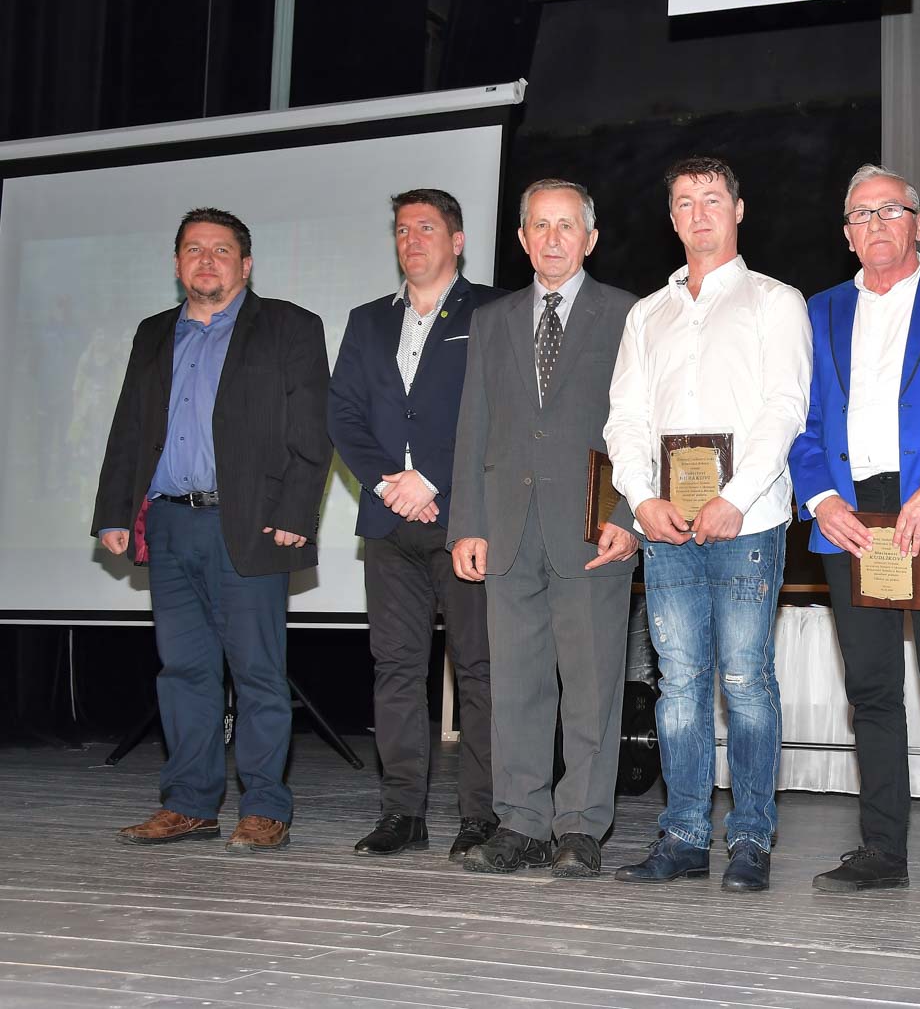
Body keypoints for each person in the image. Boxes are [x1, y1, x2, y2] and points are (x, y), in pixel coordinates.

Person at [789, 164, 920, 906]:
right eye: (860, 214)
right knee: (871, 689)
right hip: (850, 518)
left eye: (890, 210)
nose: (875, 224)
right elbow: (800, 419)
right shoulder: (818, 309)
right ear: (846, 234)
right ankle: (882, 849)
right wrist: (820, 499)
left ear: (919, 222)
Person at [93, 207, 332, 852]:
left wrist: (296, 513)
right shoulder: (153, 333)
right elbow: (129, 426)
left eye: (221, 250)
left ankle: (265, 806)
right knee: (184, 672)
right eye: (194, 249)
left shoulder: (289, 326)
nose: (206, 260)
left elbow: (313, 430)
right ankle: (189, 804)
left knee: (257, 671)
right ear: (177, 265)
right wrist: (114, 510)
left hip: (249, 523)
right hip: (170, 521)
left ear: (245, 264)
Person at [604, 156, 811, 892]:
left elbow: (785, 408)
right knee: (679, 683)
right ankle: (685, 834)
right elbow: (625, 419)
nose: (699, 212)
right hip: (665, 527)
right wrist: (640, 500)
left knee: (745, 679)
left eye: (713, 198)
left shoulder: (775, 301)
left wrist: (738, 496)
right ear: (672, 219)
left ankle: (750, 837)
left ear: (739, 210)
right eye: (685, 202)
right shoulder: (645, 315)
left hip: (748, 521)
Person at [448, 179, 640, 877]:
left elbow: (645, 423)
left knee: (592, 685)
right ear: (523, 239)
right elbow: (473, 423)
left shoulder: (630, 314)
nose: (553, 238)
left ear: (591, 238)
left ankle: (581, 826)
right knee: (516, 685)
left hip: (594, 527)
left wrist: (629, 515)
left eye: (567, 226)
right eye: (540, 225)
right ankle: (521, 822)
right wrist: (467, 522)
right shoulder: (493, 319)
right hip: (506, 526)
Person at [327, 189, 503, 862]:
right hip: (388, 523)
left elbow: (497, 409)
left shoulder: (492, 311)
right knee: (396, 669)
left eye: (427, 228)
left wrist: (430, 478)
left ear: (457, 241)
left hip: (465, 519)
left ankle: (482, 816)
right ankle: (402, 813)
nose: (412, 239)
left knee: (480, 671)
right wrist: (387, 483)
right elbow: (343, 413)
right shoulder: (368, 320)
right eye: (402, 229)